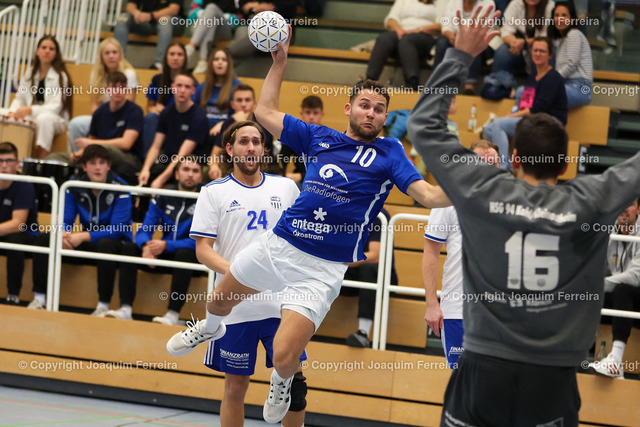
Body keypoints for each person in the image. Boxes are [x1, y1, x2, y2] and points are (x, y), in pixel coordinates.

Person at [165, 27, 449, 424]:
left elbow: (431, 197)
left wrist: (470, 183)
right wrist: (279, 63)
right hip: (279, 246)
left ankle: (281, 381)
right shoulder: (319, 137)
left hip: (322, 269)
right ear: (349, 108)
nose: (371, 113)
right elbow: (264, 113)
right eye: (364, 105)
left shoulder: (390, 152)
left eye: (379, 108)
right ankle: (210, 329)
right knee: (217, 302)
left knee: (285, 356)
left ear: (386, 117)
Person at [407, 5, 640, 424]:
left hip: (482, 368)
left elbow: (424, 125)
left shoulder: (480, 190)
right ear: (565, 164)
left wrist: (460, 55)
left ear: (513, 159)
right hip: (552, 378)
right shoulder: (592, 200)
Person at [191, 120, 306, 426]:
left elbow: (301, 238)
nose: (251, 147)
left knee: (294, 386)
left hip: (282, 305)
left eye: (256, 141)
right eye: (244, 141)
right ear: (230, 149)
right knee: (236, 387)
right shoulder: (213, 192)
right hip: (236, 308)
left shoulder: (286, 187)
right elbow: (203, 250)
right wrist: (240, 275)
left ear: (264, 149)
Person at [423, 140, 500, 368]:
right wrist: (431, 303)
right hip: (458, 310)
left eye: (492, 162)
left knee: (497, 381)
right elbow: (430, 252)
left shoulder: (512, 202)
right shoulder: (447, 198)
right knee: (462, 379)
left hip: (500, 314)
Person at [29, 145, 133, 313]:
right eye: (92, 163)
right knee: (44, 239)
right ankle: (39, 299)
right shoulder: (74, 185)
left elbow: (117, 229)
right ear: (84, 167)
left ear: (108, 166)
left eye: (102, 162)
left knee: (106, 245)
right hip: (88, 242)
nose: (98, 167)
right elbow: (66, 219)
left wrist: (83, 236)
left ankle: (103, 306)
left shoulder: (121, 187)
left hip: (116, 244)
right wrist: (63, 234)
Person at [104, 156, 203, 323]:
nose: (190, 174)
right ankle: (125, 308)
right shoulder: (164, 196)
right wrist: (145, 246)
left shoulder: (206, 199)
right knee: (129, 249)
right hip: (165, 253)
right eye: (186, 169)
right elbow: (145, 230)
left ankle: (173, 315)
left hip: (192, 258)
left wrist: (166, 245)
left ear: (200, 177)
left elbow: (201, 242)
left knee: (184, 254)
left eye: (195, 171)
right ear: (176, 174)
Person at [483, 37, 567, 169]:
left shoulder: (553, 78)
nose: (538, 54)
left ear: (550, 55)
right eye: (535, 50)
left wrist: (510, 116)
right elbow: (526, 104)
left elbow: (537, 109)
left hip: (548, 125)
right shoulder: (533, 76)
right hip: (533, 121)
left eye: (542, 51)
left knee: (498, 125)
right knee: (488, 128)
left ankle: (502, 168)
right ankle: (508, 167)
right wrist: (513, 112)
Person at [49, 72, 144, 184]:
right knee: (54, 157)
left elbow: (126, 143)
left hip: (128, 159)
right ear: (107, 89)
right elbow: (92, 140)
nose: (118, 91)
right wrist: (81, 153)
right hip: (100, 157)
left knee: (105, 149)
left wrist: (91, 144)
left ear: (127, 90)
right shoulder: (99, 112)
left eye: (122, 87)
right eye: (114, 87)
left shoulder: (135, 111)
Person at [589, 200, 640, 379]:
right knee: (586, 298)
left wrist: (598, 285)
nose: (624, 208)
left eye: (630, 204)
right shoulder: (609, 230)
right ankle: (575, 357)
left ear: (638, 209)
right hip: (623, 300)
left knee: (622, 290)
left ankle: (616, 361)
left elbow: (636, 277)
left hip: (633, 295)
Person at [1, 36, 73, 159]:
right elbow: (20, 98)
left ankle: (40, 160)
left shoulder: (61, 76)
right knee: (3, 113)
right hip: (33, 115)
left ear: (56, 53)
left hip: (55, 118)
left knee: (44, 119)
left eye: (51, 49)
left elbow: (56, 106)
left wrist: (31, 110)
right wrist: (14, 112)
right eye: (44, 47)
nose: (47, 51)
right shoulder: (30, 72)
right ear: (37, 51)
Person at [139, 73, 209, 189]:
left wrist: (161, 179)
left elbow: (182, 155)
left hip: (190, 166)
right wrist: (145, 169)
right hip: (168, 162)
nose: (182, 90)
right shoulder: (166, 112)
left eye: (187, 87)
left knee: (161, 181)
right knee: (145, 179)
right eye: (179, 86)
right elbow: (156, 146)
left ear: (193, 90)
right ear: (172, 87)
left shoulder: (199, 116)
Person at [67, 38, 139, 150]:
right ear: (101, 57)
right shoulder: (95, 75)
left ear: (120, 56)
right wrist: (99, 122)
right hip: (102, 117)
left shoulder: (129, 74)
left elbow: (129, 102)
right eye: (107, 53)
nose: (111, 56)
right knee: (75, 124)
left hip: (121, 119)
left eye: (114, 52)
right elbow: (95, 104)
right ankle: (78, 156)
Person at [341, 208, 397, 348]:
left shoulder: (379, 215)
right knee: (317, 265)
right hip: (351, 271)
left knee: (368, 268)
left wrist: (341, 261)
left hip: (381, 276)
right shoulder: (342, 210)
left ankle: (363, 333)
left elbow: (375, 256)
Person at [481, 0, 555, 100]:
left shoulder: (550, 6)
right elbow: (506, 31)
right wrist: (514, 43)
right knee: (503, 51)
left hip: (538, 49)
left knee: (540, 52)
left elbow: (547, 38)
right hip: (519, 50)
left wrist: (524, 42)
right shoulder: (516, 3)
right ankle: (500, 88)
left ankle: (536, 91)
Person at [365, 0, 444, 90]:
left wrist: (419, 29)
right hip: (402, 32)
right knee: (385, 38)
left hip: (426, 36)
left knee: (407, 40)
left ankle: (412, 82)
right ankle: (369, 81)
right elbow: (390, 19)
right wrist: (399, 30)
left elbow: (442, 25)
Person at [208, 84, 274, 181]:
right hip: (231, 169)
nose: (243, 104)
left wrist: (242, 122)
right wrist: (214, 166)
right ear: (232, 104)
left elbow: (267, 160)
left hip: (259, 169)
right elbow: (215, 153)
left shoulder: (264, 125)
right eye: (239, 100)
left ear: (254, 103)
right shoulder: (227, 124)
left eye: (247, 100)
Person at [0, 142, 38, 305]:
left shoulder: (24, 185)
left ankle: (13, 295)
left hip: (25, 234)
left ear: (17, 163)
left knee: (13, 240)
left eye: (9, 161)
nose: (4, 165)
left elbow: (18, 223)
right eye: (0, 161)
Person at [144, 42, 197, 156]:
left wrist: (167, 112)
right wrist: (155, 109)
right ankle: (147, 159)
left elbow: (194, 109)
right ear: (166, 57)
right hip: (162, 122)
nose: (175, 58)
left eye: (179, 54)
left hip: (183, 122)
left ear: (184, 58)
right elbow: (149, 106)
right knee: (151, 117)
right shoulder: (157, 80)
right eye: (172, 54)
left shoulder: (192, 82)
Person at [193, 48, 242, 168]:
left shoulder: (236, 86)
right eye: (216, 59)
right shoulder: (202, 87)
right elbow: (194, 111)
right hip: (203, 132)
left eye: (224, 60)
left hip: (226, 134)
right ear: (211, 63)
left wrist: (223, 124)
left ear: (228, 64)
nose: (220, 62)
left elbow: (242, 114)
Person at [433, 0, 495, 95]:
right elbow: (446, 26)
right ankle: (437, 83)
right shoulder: (453, 2)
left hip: (477, 39)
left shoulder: (488, 3)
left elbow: (486, 30)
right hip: (455, 38)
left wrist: (466, 39)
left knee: (473, 45)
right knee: (442, 43)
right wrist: (451, 36)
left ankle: (469, 87)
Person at [548, 1, 593, 108]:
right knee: (524, 92)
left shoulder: (574, 34)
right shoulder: (559, 41)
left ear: (572, 18)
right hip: (564, 84)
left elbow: (571, 63)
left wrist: (551, 80)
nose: (560, 19)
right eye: (556, 15)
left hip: (580, 87)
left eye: (564, 15)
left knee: (546, 93)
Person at [113, 0, 181, 70]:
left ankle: (160, 63)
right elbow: (130, 6)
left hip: (172, 22)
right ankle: (118, 60)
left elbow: (174, 9)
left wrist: (152, 16)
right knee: (123, 19)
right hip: (146, 22)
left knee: (164, 21)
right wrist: (137, 14)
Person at [227, 1, 297, 65]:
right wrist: (255, 8)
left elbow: (283, 7)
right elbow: (243, 7)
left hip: (278, 29)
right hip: (250, 25)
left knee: (259, 33)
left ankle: (226, 53)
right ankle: (226, 59)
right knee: (241, 31)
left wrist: (255, 7)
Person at [185, 0, 236, 74]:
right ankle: (203, 61)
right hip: (201, 27)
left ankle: (191, 46)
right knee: (211, 21)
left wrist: (219, 15)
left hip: (223, 30)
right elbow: (190, 17)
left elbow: (238, 19)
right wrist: (206, 15)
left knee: (212, 8)